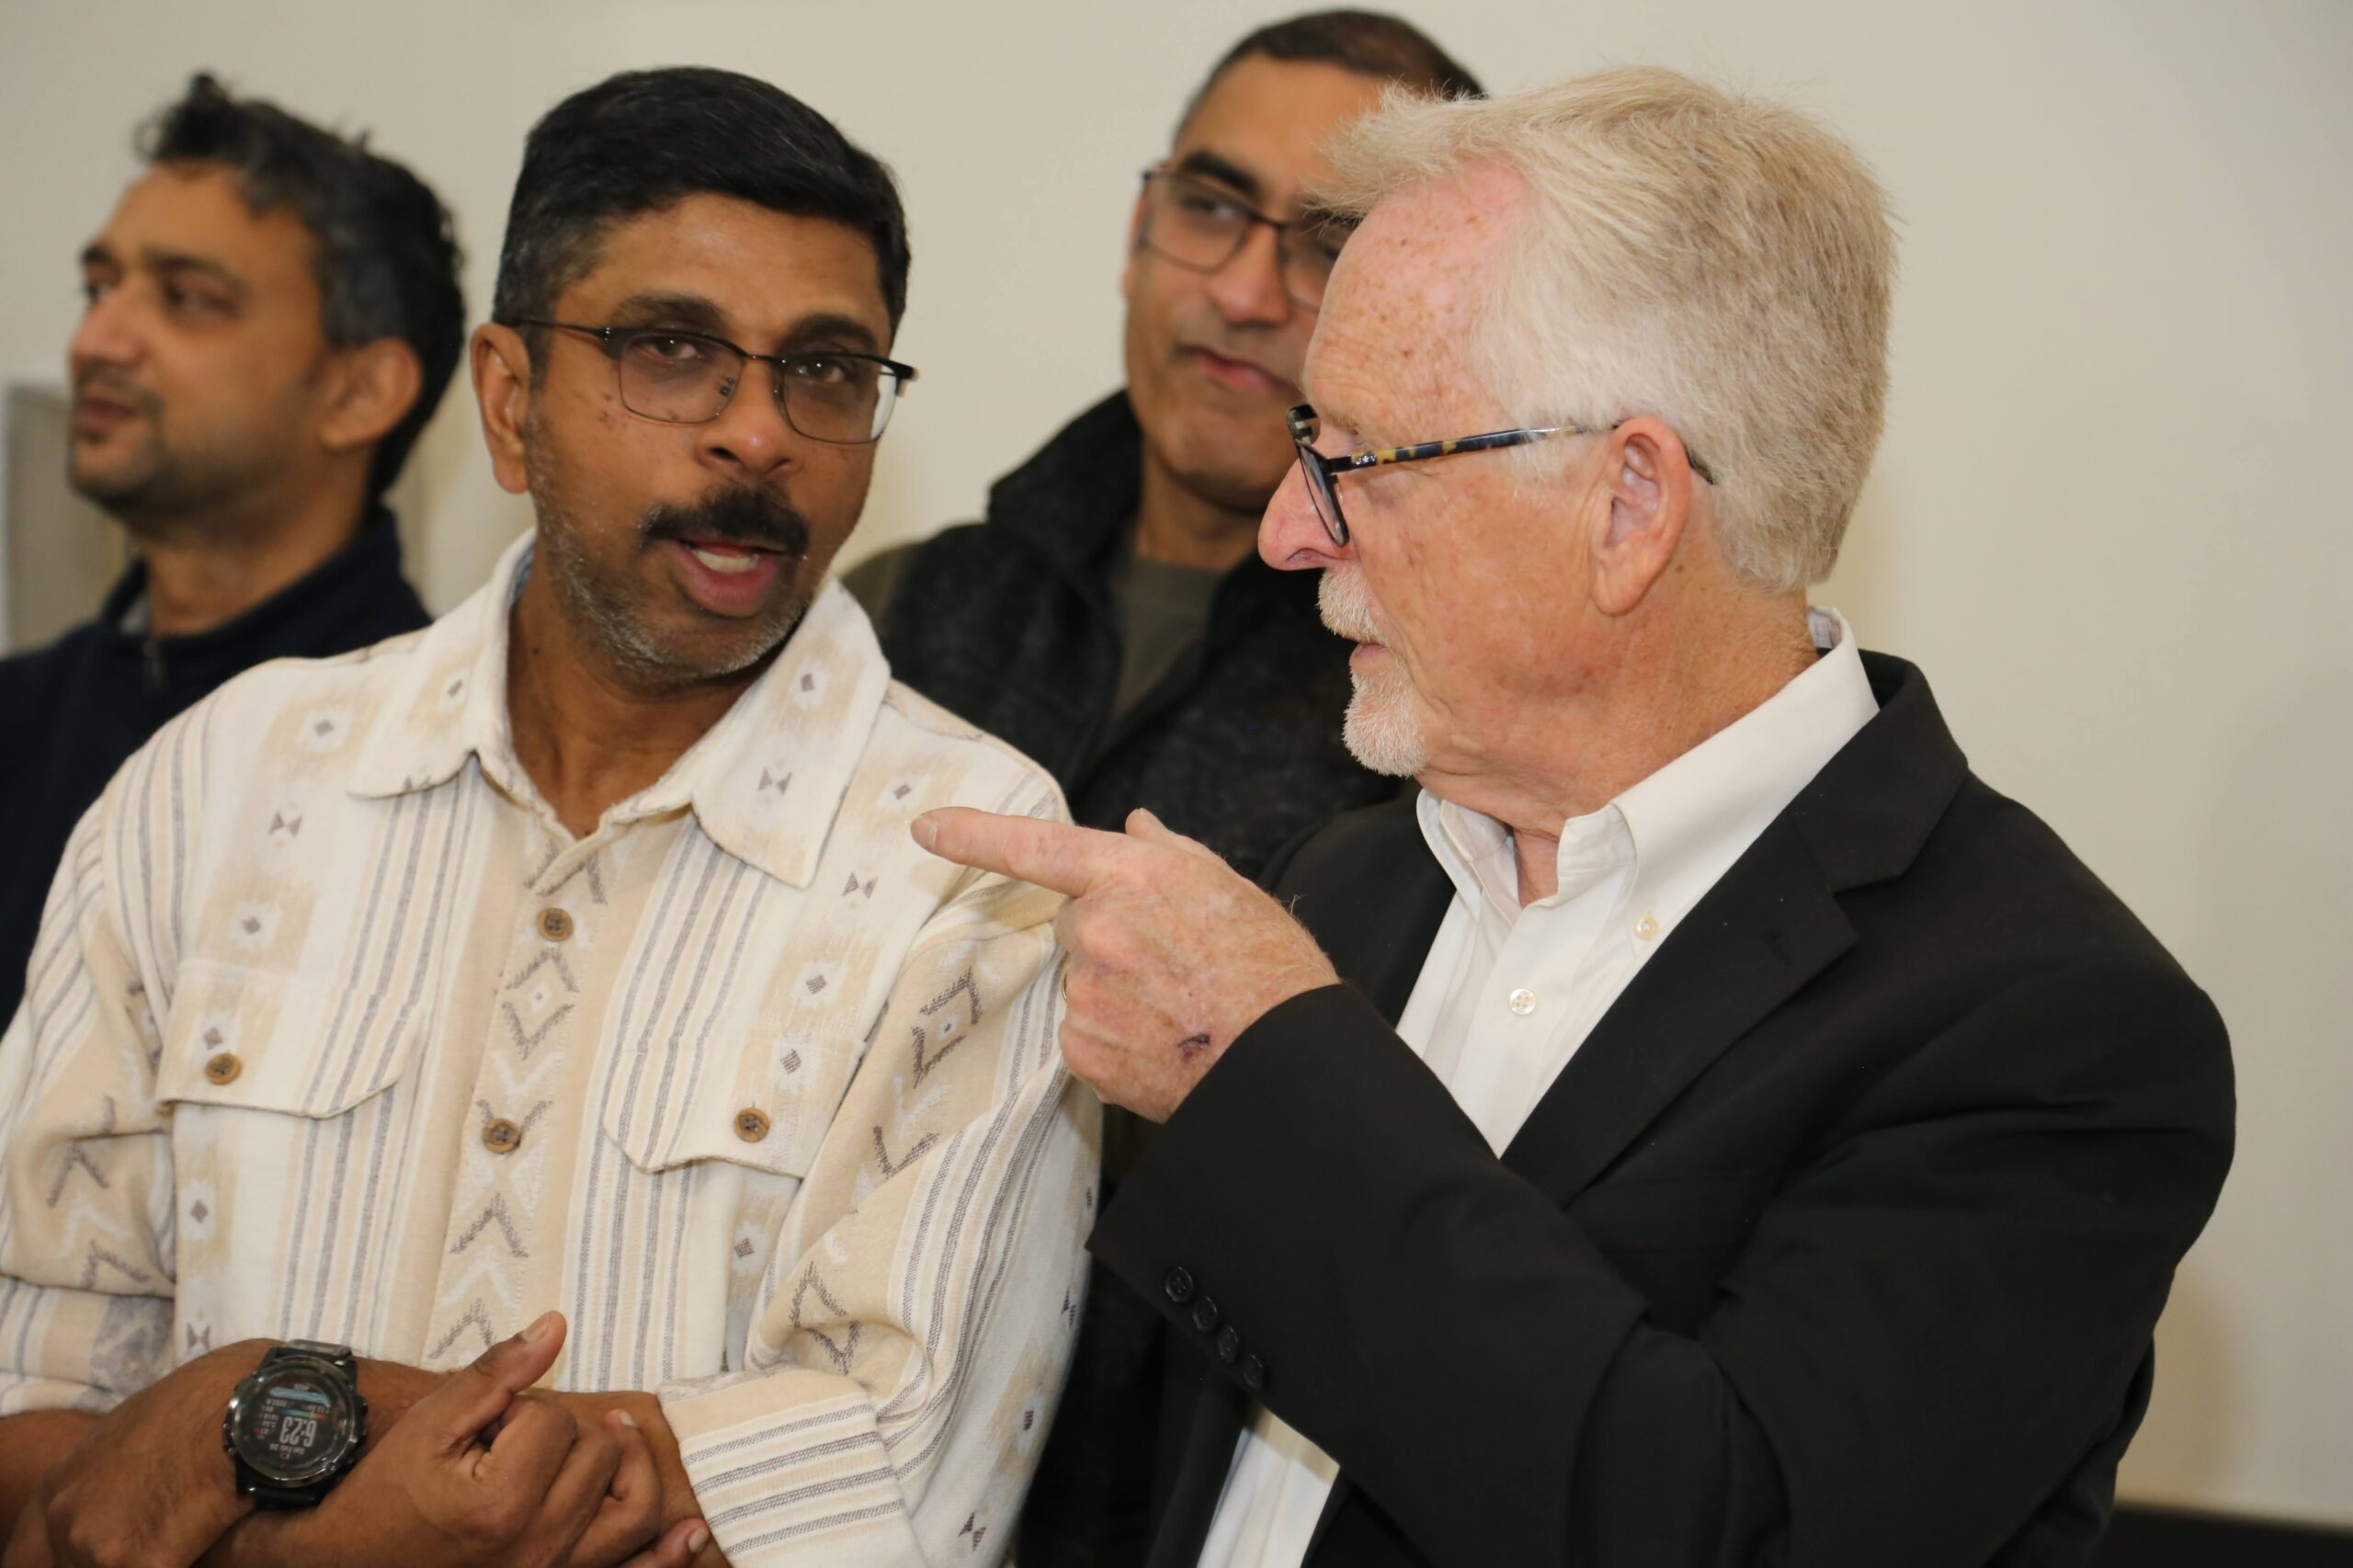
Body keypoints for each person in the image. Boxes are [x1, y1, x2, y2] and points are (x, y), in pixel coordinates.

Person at [917, 68, 2235, 1566]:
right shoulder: (1355, 877)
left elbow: (1719, 1528)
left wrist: (1262, 1067)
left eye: (1353, 458)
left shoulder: (2049, 1035)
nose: (1287, 529)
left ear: (1627, 506)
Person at [0, 67, 1094, 1568]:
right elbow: (34, 1423)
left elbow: (891, 1495)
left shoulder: (978, 866)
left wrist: (258, 1426)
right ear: (509, 401)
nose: (759, 433)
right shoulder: (220, 785)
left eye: (828, 370)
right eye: (672, 350)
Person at [846, 10, 1480, 881]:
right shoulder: (898, 605)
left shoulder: (1441, 696)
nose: (1244, 294)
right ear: (1140, 227)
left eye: (1331, 243)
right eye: (1210, 208)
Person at [0, 74, 461, 1026]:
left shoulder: (447, 762)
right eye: (99, 288)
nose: (97, 340)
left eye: (187, 298)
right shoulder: (19, 721)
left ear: (360, 392)